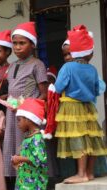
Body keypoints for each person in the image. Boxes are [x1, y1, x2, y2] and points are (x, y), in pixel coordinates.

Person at [54, 28, 107, 184]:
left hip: (72, 108)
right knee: (91, 138)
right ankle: (89, 172)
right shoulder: (92, 69)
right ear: (90, 53)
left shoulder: (67, 67)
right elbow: (97, 89)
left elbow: (58, 87)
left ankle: (81, 173)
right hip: (88, 108)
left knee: (79, 139)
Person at [3, 22, 48, 189]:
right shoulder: (12, 65)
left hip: (28, 117)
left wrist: (27, 106)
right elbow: (13, 89)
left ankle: (32, 183)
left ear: (32, 44)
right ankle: (19, 183)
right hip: (12, 113)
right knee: (12, 147)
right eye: (15, 43)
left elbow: (44, 94)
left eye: (22, 43)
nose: (17, 47)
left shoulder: (37, 64)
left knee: (27, 149)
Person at [12, 98, 48, 190]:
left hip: (34, 184)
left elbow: (39, 159)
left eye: (19, 120)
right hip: (25, 182)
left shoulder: (37, 138)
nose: (18, 124)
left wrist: (20, 158)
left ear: (28, 119)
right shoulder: (29, 138)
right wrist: (18, 161)